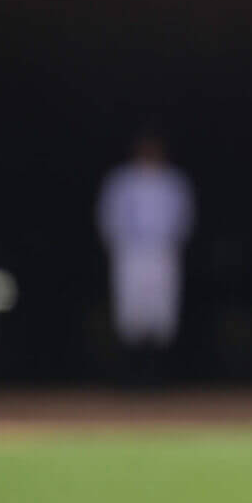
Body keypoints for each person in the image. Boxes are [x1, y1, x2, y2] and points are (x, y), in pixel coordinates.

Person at [96, 131, 195, 382]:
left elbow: (184, 217)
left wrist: (172, 244)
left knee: (162, 312)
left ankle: (158, 374)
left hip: (162, 252)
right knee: (130, 311)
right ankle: (130, 375)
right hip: (130, 253)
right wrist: (118, 244)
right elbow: (108, 215)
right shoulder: (122, 180)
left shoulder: (174, 181)